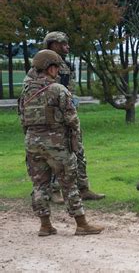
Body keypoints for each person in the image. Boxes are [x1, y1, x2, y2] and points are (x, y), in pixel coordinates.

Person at [18, 50, 104, 236]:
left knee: (39, 185)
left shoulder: (26, 90)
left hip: (32, 143)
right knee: (69, 184)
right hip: (56, 144)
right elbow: (72, 119)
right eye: (56, 67)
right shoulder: (58, 89)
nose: (57, 71)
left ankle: (45, 225)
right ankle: (81, 224)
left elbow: (22, 118)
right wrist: (75, 140)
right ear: (50, 68)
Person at [25, 31, 105, 203]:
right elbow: (30, 94)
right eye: (63, 44)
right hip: (51, 123)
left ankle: (83, 188)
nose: (67, 46)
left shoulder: (66, 66)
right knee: (54, 156)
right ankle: (54, 191)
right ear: (52, 45)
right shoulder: (38, 67)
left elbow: (70, 90)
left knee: (78, 151)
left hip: (67, 116)